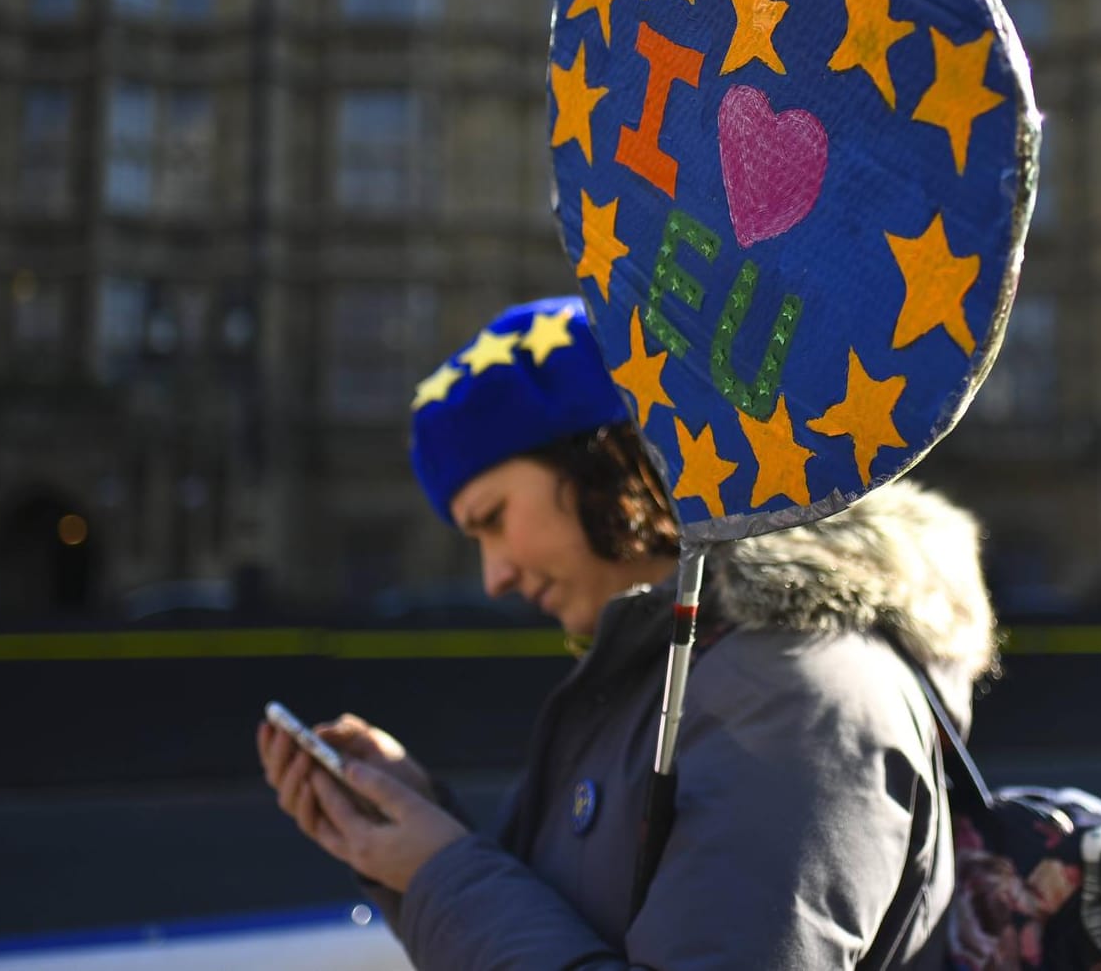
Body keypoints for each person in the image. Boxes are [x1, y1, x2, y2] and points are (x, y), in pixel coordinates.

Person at [258, 294, 999, 969]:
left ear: (606, 460)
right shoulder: (669, 671)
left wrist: (438, 872)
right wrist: (421, 831)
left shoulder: (793, 685)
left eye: (493, 520)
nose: (495, 578)